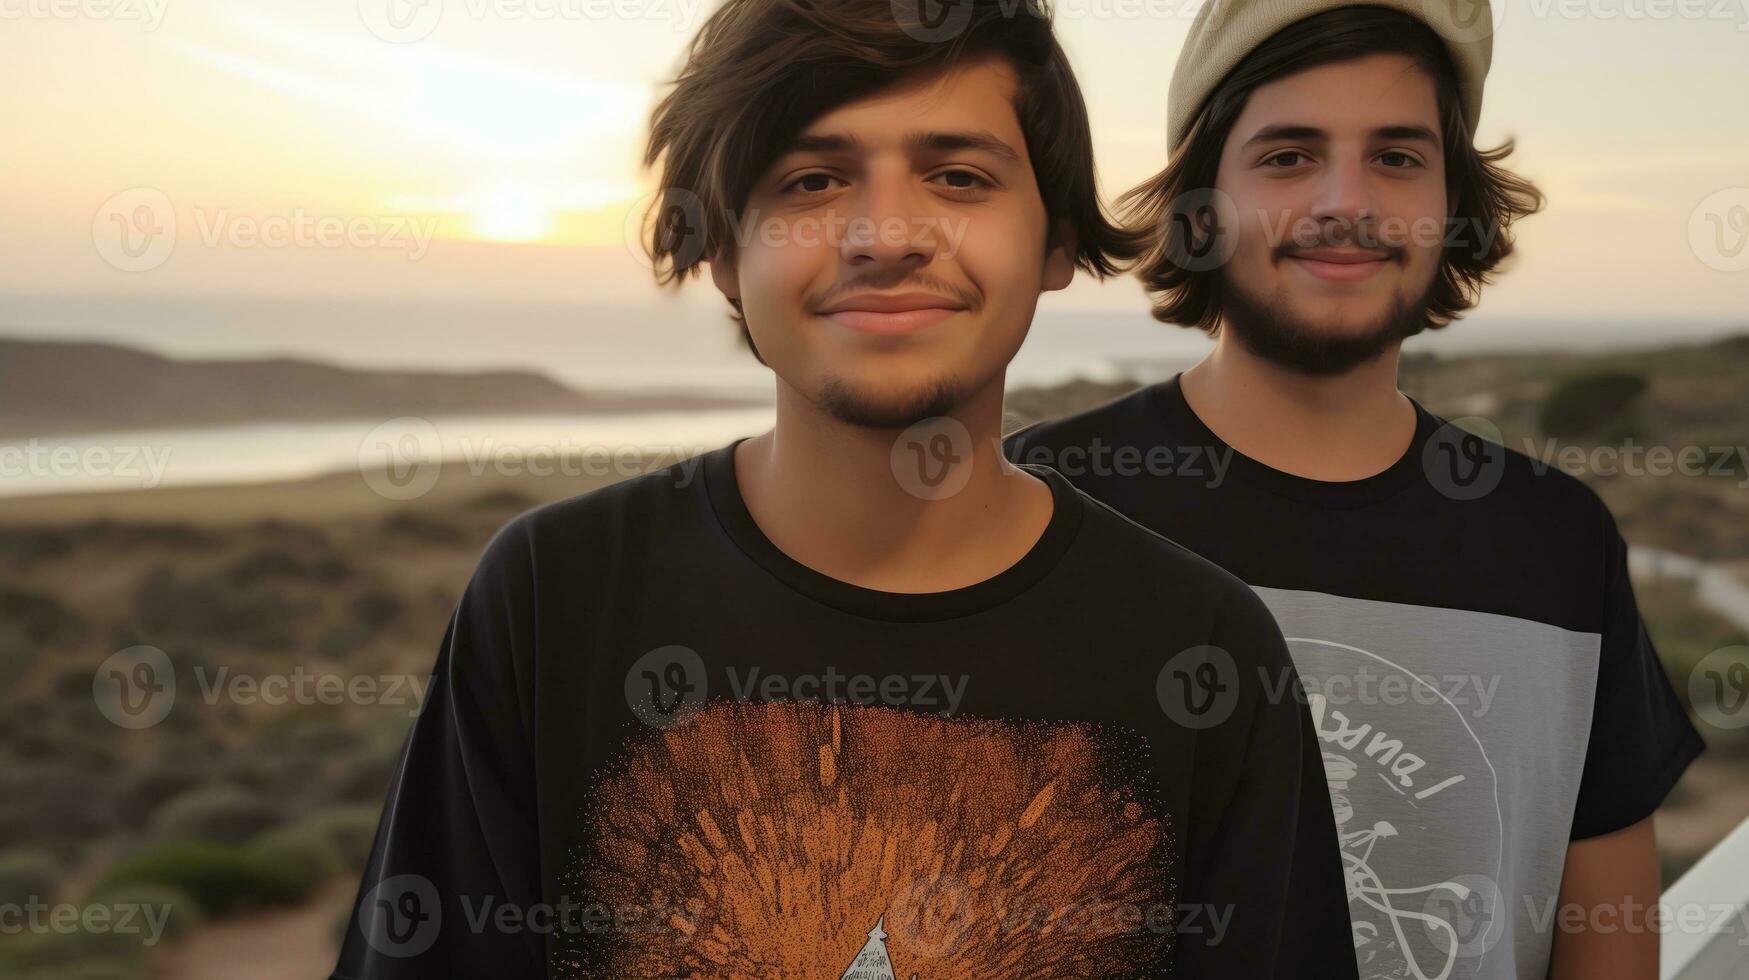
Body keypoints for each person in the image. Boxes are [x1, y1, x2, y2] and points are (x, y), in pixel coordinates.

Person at [331, 1, 1360, 978]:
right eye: (812, 181)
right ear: (723, 250)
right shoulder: (555, 594)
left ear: (1052, 242)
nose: (885, 235)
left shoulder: (1204, 645)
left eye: (958, 176)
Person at [1003, 3, 1706, 979]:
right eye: (1289, 156)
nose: (1348, 201)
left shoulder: (1557, 538)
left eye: (1398, 157)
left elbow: (1607, 936)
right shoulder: (1040, 503)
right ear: (1202, 207)